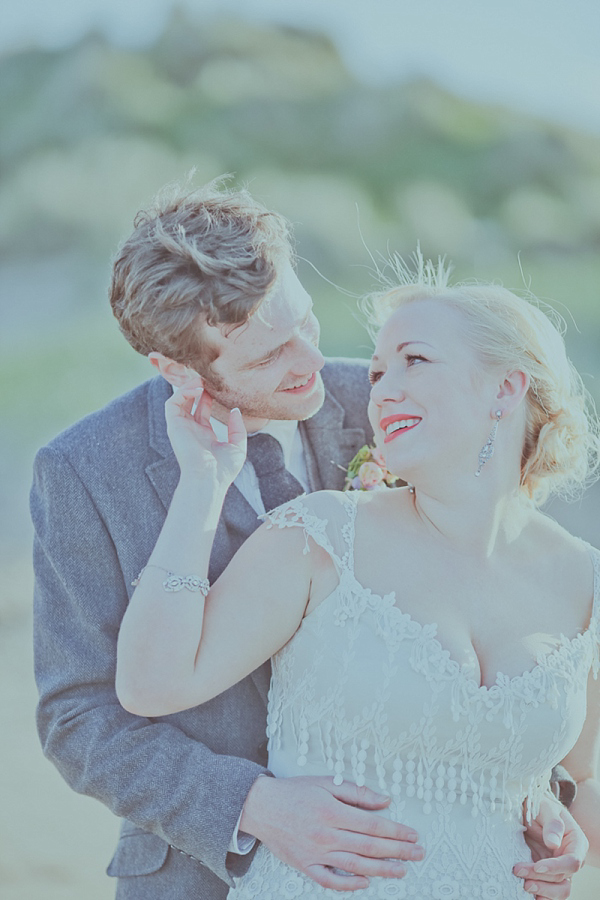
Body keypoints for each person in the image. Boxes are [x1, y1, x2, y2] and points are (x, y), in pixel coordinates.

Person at [31, 178, 585, 900]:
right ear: (175, 369)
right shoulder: (84, 471)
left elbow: (498, 607)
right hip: (200, 875)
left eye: (305, 323)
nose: (311, 363)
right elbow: (79, 717)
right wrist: (254, 805)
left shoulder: (394, 403)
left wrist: (529, 790)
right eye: (267, 358)